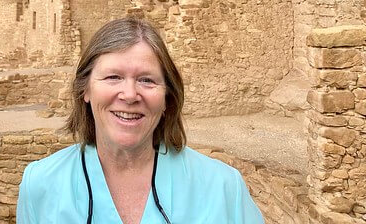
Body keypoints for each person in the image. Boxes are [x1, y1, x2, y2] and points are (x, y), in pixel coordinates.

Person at [16, 17, 264, 223]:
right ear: (86, 90)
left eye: (147, 80)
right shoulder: (41, 184)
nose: (130, 95)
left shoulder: (223, 187)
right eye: (113, 77)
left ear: (167, 97)